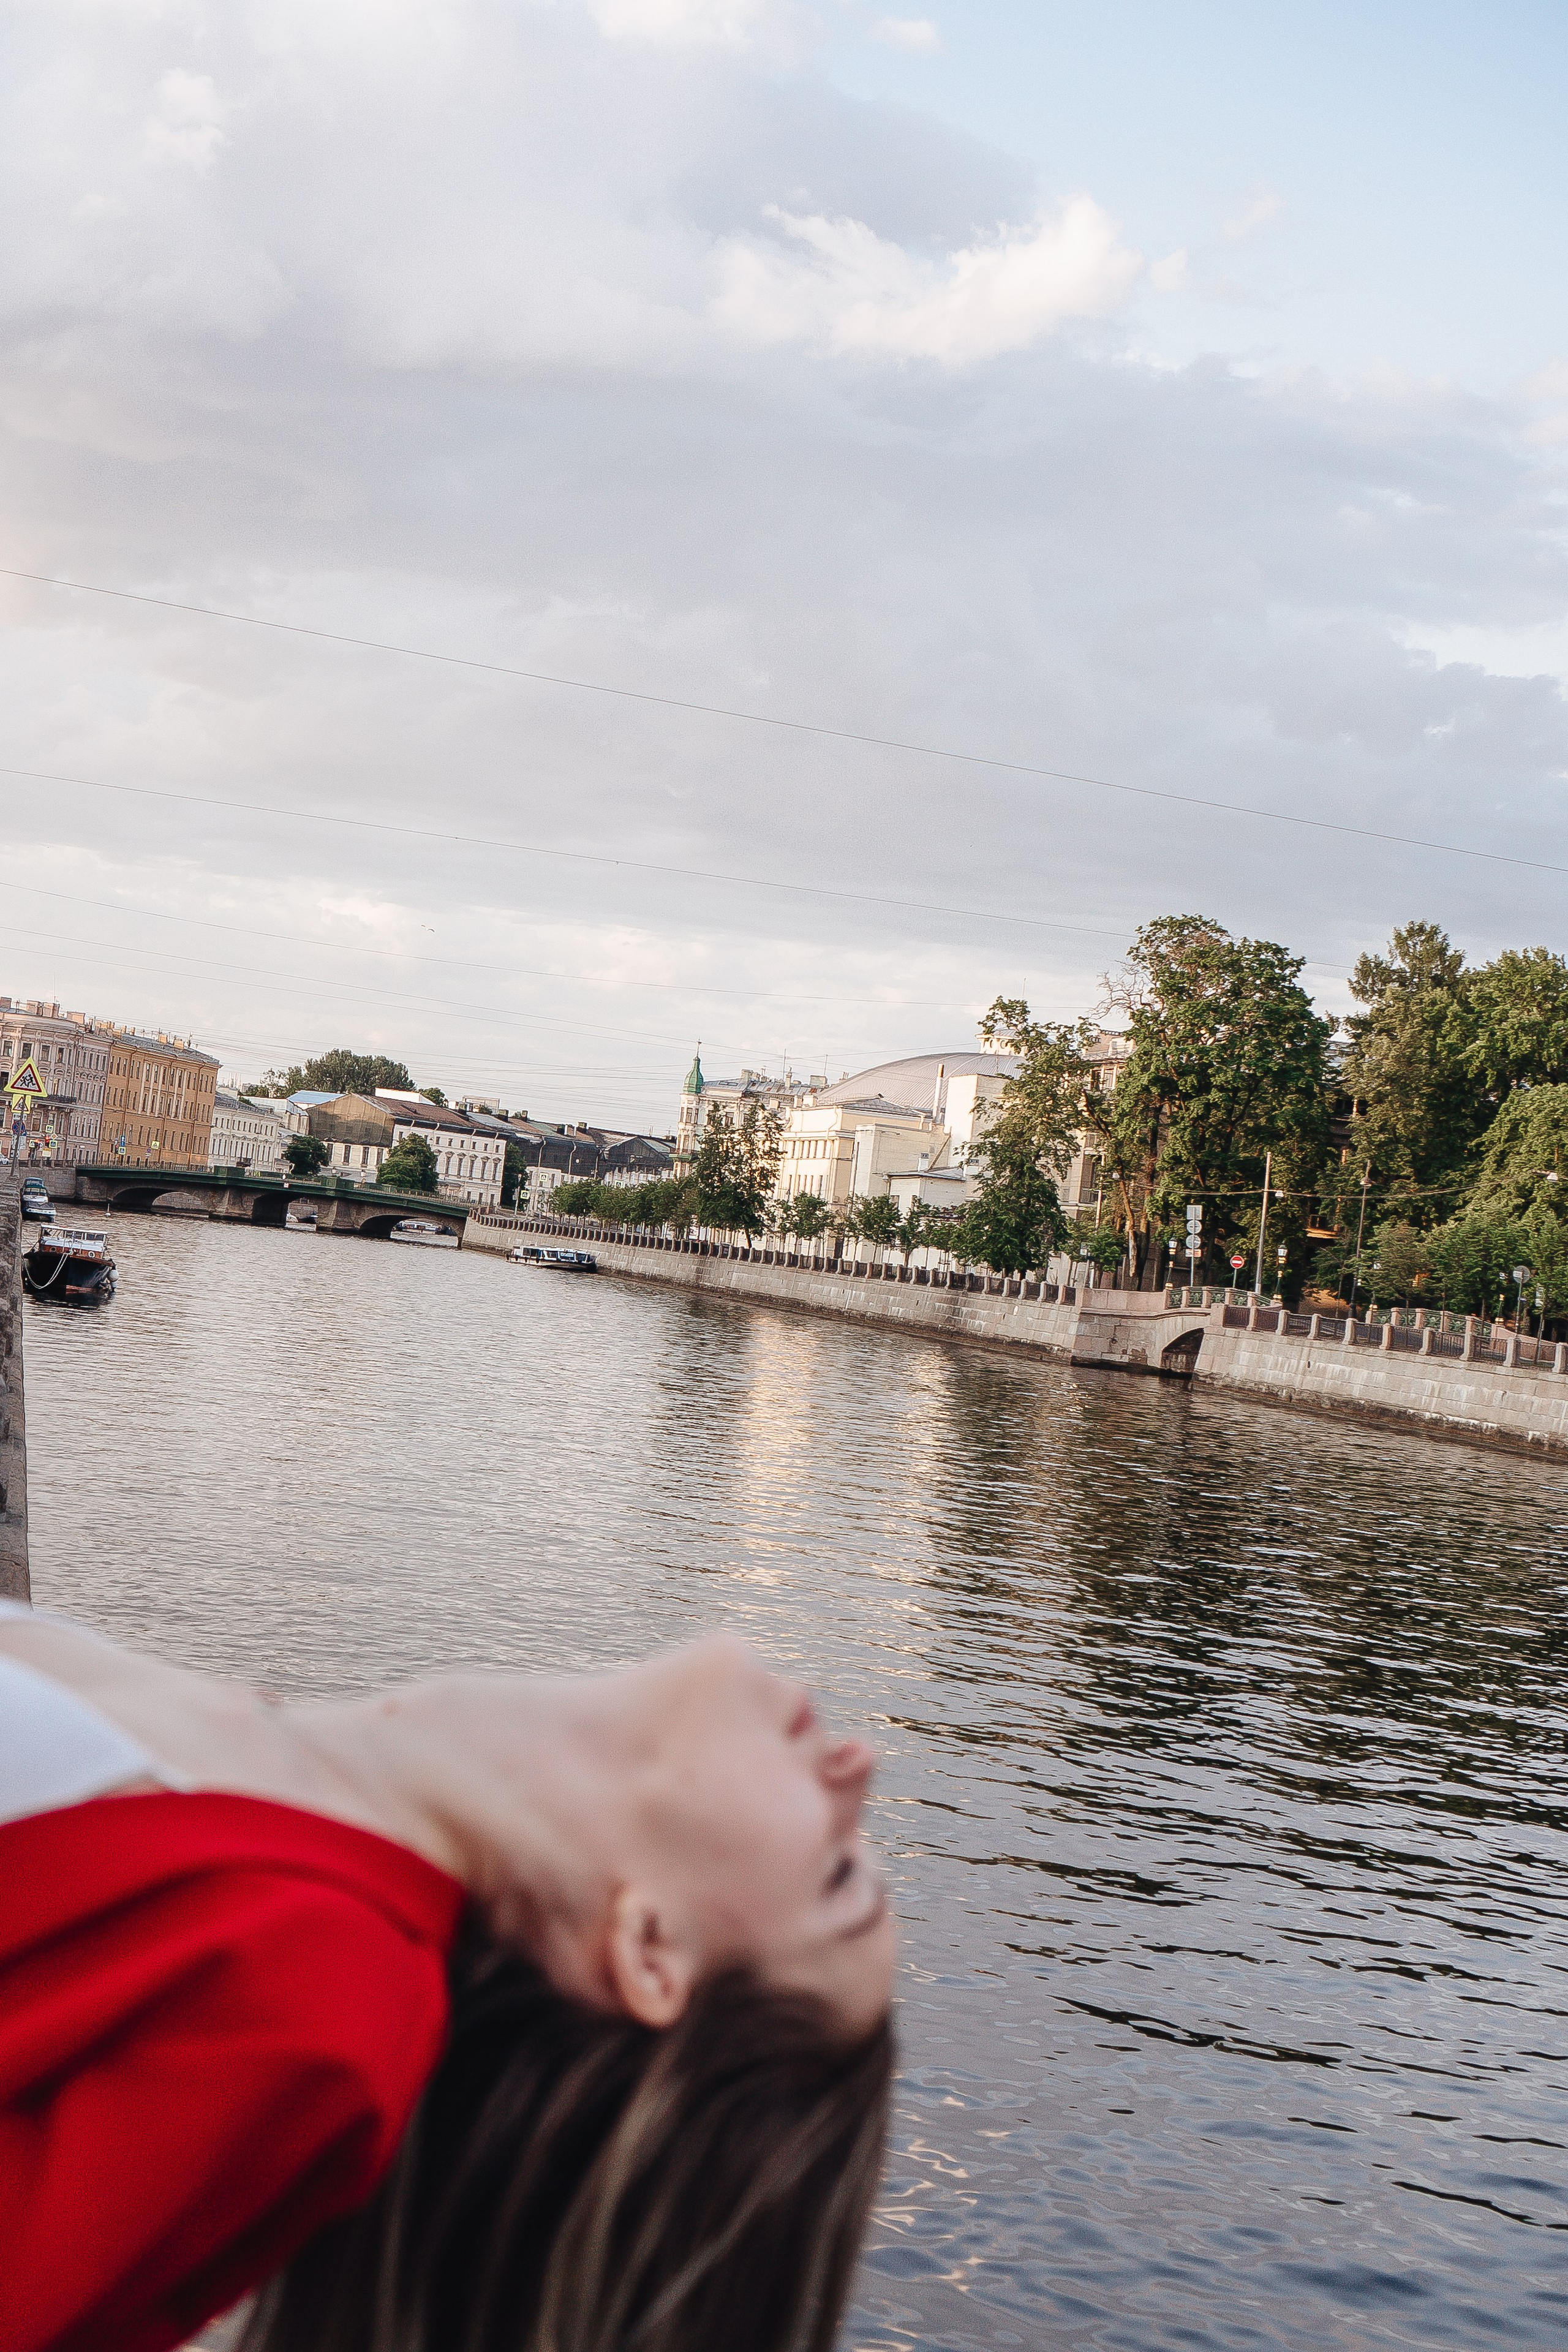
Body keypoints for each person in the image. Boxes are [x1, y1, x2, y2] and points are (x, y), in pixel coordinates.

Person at [0, 1603, 896, 2352]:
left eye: (839, 1875)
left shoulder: (324, 2004)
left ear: (652, 1951)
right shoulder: (269, 1782)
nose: (860, 1771)